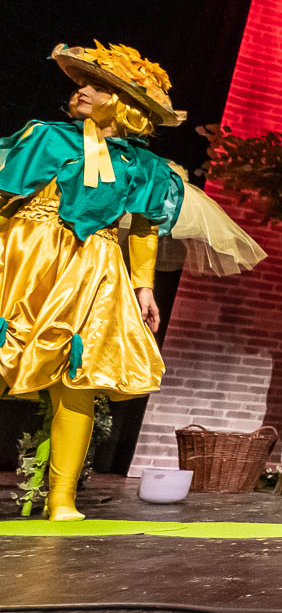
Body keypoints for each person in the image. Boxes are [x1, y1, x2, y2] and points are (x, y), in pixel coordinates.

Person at [0, 42, 188, 521]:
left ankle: (61, 498)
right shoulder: (46, 137)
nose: (82, 90)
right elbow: (4, 196)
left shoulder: (145, 167)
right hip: (27, 254)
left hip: (92, 266)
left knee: (78, 378)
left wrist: (144, 287)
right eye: (82, 83)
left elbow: (143, 229)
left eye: (98, 86)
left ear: (124, 103)